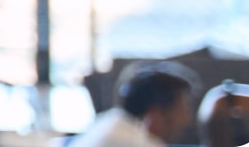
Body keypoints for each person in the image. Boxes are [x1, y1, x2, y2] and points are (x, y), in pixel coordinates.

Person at [69, 62, 204, 147]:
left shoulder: (110, 121)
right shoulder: (139, 143)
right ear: (155, 115)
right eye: (182, 109)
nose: (187, 119)